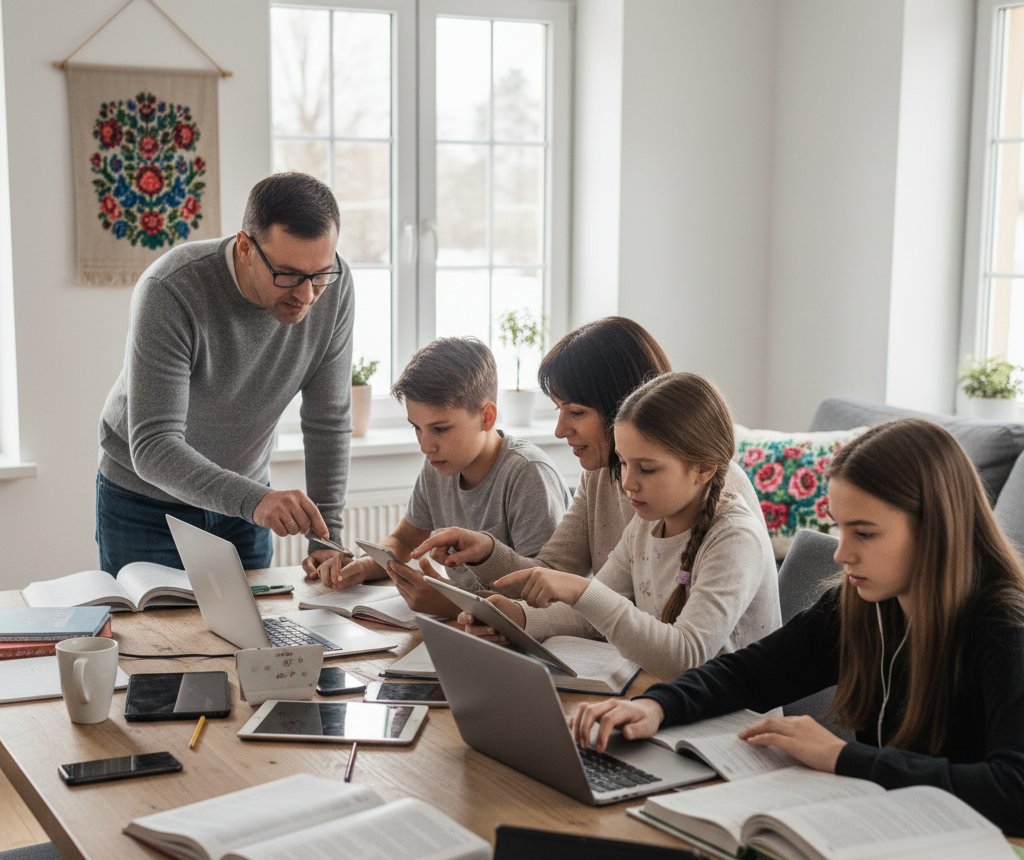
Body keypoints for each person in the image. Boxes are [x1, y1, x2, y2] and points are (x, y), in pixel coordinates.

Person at [569, 417, 1024, 860]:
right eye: (840, 528)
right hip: (890, 855)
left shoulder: (1003, 629)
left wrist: (843, 757)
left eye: (864, 532)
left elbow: (1015, 792)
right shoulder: (864, 603)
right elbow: (753, 672)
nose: (841, 553)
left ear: (937, 530)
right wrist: (657, 705)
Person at [96, 171, 353, 580]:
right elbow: (154, 444)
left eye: (320, 273)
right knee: (147, 642)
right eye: (287, 274)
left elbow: (329, 420)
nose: (306, 296)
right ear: (246, 248)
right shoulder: (171, 289)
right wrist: (257, 501)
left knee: (248, 641)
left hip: (245, 508)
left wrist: (328, 539)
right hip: (143, 505)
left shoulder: (335, 288)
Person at [460, 372, 781, 680]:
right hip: (671, 700)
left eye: (647, 468)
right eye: (624, 462)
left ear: (703, 469)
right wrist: (517, 618)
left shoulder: (735, 537)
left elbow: (684, 656)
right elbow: (592, 616)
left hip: (737, 722)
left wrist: (581, 589)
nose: (628, 483)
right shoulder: (647, 523)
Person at [413, 316, 764, 589]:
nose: (560, 430)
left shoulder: (709, 488)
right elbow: (554, 573)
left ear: (627, 408)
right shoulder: (598, 476)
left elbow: (678, 639)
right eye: (558, 410)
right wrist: (487, 551)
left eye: (576, 412)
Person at [316, 337, 570, 617]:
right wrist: (362, 566)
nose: (425, 446)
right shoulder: (438, 467)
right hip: (472, 629)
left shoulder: (527, 473)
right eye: (417, 428)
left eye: (440, 429)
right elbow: (402, 541)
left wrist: (452, 603)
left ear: (487, 416)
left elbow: (545, 594)